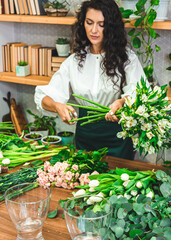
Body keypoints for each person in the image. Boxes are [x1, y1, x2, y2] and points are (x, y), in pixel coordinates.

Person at [34, 0, 145, 160]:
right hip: (85, 139)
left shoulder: (127, 59)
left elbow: (139, 93)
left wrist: (121, 103)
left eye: (101, 24)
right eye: (89, 22)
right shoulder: (74, 61)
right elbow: (45, 97)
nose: (94, 30)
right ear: (82, 24)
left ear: (111, 27)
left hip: (118, 138)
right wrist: (58, 106)